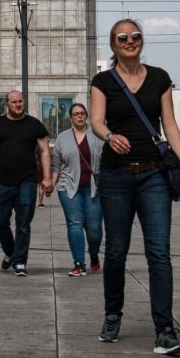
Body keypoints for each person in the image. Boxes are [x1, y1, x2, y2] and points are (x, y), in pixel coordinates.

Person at [92, 18, 180, 356]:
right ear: (113, 44)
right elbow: (96, 121)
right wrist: (110, 136)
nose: (130, 40)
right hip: (115, 176)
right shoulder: (103, 81)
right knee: (117, 250)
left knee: (159, 253)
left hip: (153, 174)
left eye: (135, 36)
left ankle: (164, 329)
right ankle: (112, 315)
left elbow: (169, 123)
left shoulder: (160, 78)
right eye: (123, 37)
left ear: (142, 41)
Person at [0, 89, 53, 280]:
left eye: (20, 101)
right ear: (7, 104)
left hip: (27, 183)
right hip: (2, 182)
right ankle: (10, 252)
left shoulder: (34, 124)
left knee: (23, 224)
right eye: (14, 102)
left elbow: (44, 151)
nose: (18, 105)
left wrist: (47, 177)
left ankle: (20, 261)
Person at [51, 102, 103, 277]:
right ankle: (79, 263)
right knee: (75, 225)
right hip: (68, 187)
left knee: (94, 229)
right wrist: (51, 182)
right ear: (71, 118)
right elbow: (56, 164)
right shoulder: (62, 138)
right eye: (76, 114)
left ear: (86, 116)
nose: (79, 116)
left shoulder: (97, 135)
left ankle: (94, 254)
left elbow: (106, 162)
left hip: (94, 188)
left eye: (82, 113)